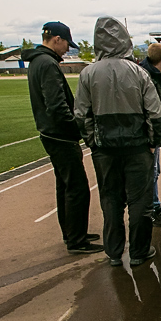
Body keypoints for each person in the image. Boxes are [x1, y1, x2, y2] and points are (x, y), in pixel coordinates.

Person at [75, 17, 161, 267]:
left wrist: (93, 143)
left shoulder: (88, 74)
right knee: (141, 202)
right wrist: (152, 142)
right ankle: (139, 251)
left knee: (111, 200)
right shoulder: (139, 72)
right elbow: (155, 113)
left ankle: (114, 252)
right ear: (125, 41)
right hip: (138, 148)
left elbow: (81, 115)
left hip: (105, 150)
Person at [24, 22, 102, 255]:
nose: (67, 49)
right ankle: (76, 239)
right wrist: (77, 128)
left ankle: (72, 232)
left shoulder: (38, 62)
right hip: (60, 136)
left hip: (52, 134)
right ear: (57, 39)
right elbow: (57, 105)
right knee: (77, 188)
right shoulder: (47, 64)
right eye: (67, 43)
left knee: (65, 186)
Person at [138, 42, 161, 226]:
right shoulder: (148, 76)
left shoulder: (153, 74)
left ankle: (155, 204)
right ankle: (150, 210)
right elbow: (151, 110)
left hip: (154, 130)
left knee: (155, 170)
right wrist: (157, 138)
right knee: (150, 172)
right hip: (149, 133)